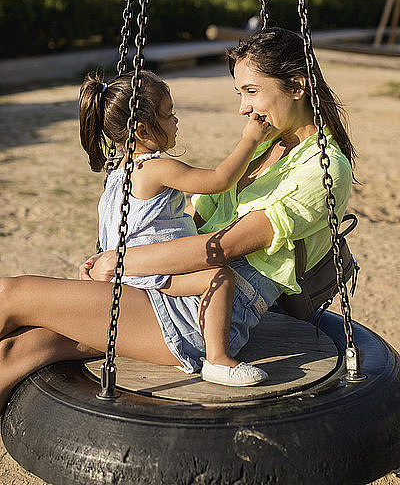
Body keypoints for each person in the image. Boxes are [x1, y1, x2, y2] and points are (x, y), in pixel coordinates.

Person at [0, 27, 354, 414]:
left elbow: (225, 246)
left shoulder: (324, 167)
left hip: (201, 313)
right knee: (19, 350)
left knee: (10, 294)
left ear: (298, 86)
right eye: (240, 94)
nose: (243, 108)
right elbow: (186, 222)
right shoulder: (268, 143)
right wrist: (127, 254)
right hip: (170, 286)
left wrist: (118, 262)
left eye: (251, 91)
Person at [78, 69, 270, 386]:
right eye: (168, 116)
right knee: (220, 277)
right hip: (150, 273)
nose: (175, 121)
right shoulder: (155, 167)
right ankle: (218, 360)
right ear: (141, 130)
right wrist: (251, 138)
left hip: (124, 271)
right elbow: (219, 180)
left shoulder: (117, 172)